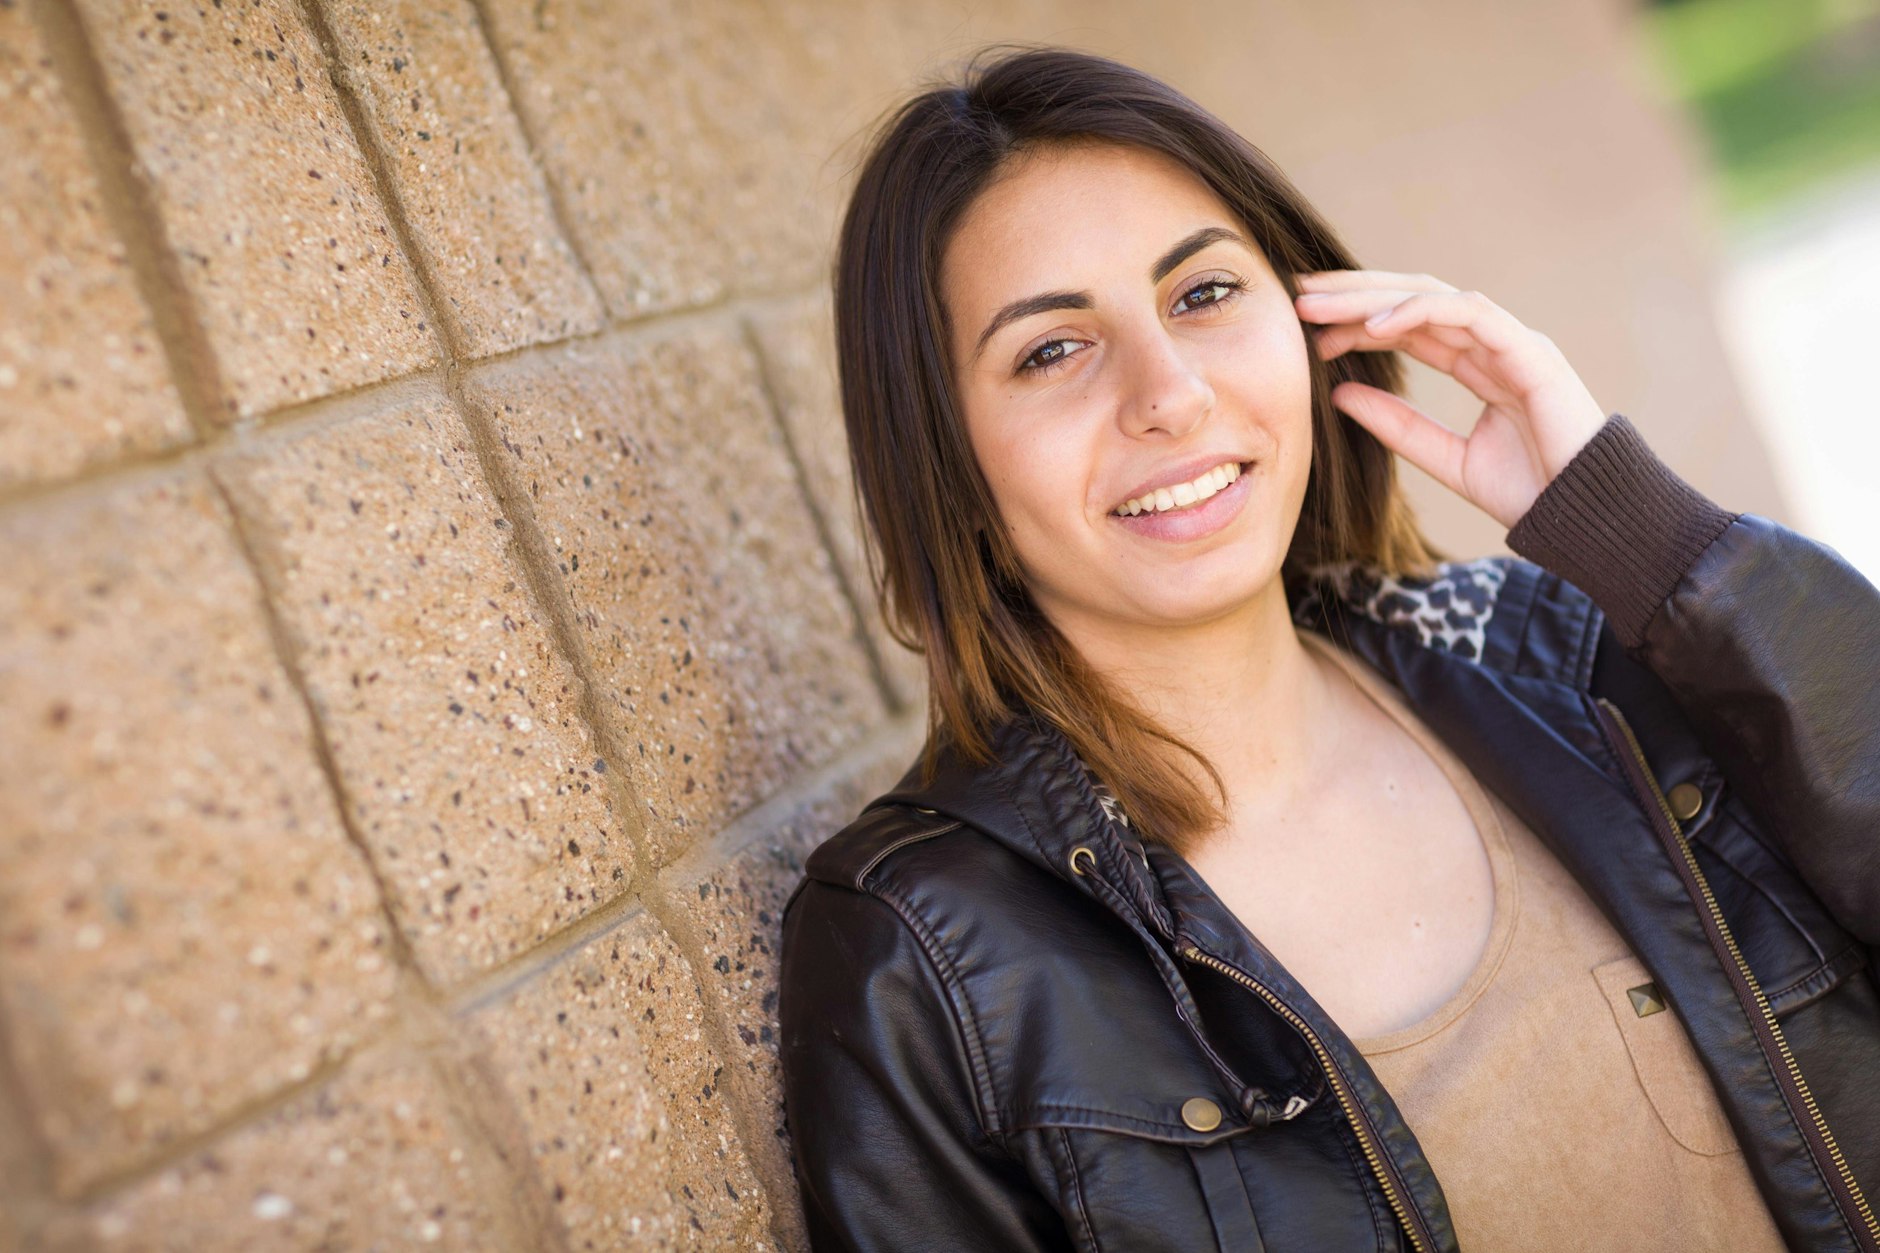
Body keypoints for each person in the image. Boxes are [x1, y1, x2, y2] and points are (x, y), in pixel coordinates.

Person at [777, 44, 1880, 1253]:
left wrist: (1642, 537)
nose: (1169, 393)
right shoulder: (924, 956)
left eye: (1201, 294)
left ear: (1312, 326)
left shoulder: (1567, 662)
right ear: (943, 458)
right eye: (1050, 349)